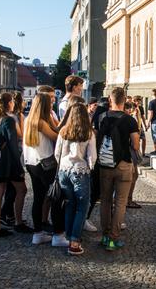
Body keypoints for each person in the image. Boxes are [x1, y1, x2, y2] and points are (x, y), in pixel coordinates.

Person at [96, 87, 140, 251]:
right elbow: (135, 145)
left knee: (105, 201)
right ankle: (114, 239)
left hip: (104, 163)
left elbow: (96, 137)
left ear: (110, 100)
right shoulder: (130, 120)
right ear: (125, 101)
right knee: (120, 202)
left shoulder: (101, 117)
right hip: (123, 164)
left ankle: (105, 236)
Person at [23, 93, 68, 246]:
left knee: (38, 198)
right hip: (46, 163)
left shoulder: (28, 120)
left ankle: (38, 233)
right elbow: (57, 137)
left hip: (31, 163)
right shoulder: (41, 123)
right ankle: (58, 235)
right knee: (57, 197)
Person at [54, 103, 97, 255]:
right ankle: (74, 241)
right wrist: (89, 168)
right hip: (80, 171)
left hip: (64, 171)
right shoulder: (88, 133)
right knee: (82, 206)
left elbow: (57, 153)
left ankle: (68, 235)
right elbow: (92, 157)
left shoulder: (63, 131)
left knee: (70, 204)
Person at [0, 92, 29, 238]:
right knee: (22, 190)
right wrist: (19, 166)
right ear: (8, 103)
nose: (13, 103)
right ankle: (18, 222)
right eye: (12, 101)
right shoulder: (9, 120)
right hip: (8, 162)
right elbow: (12, 145)